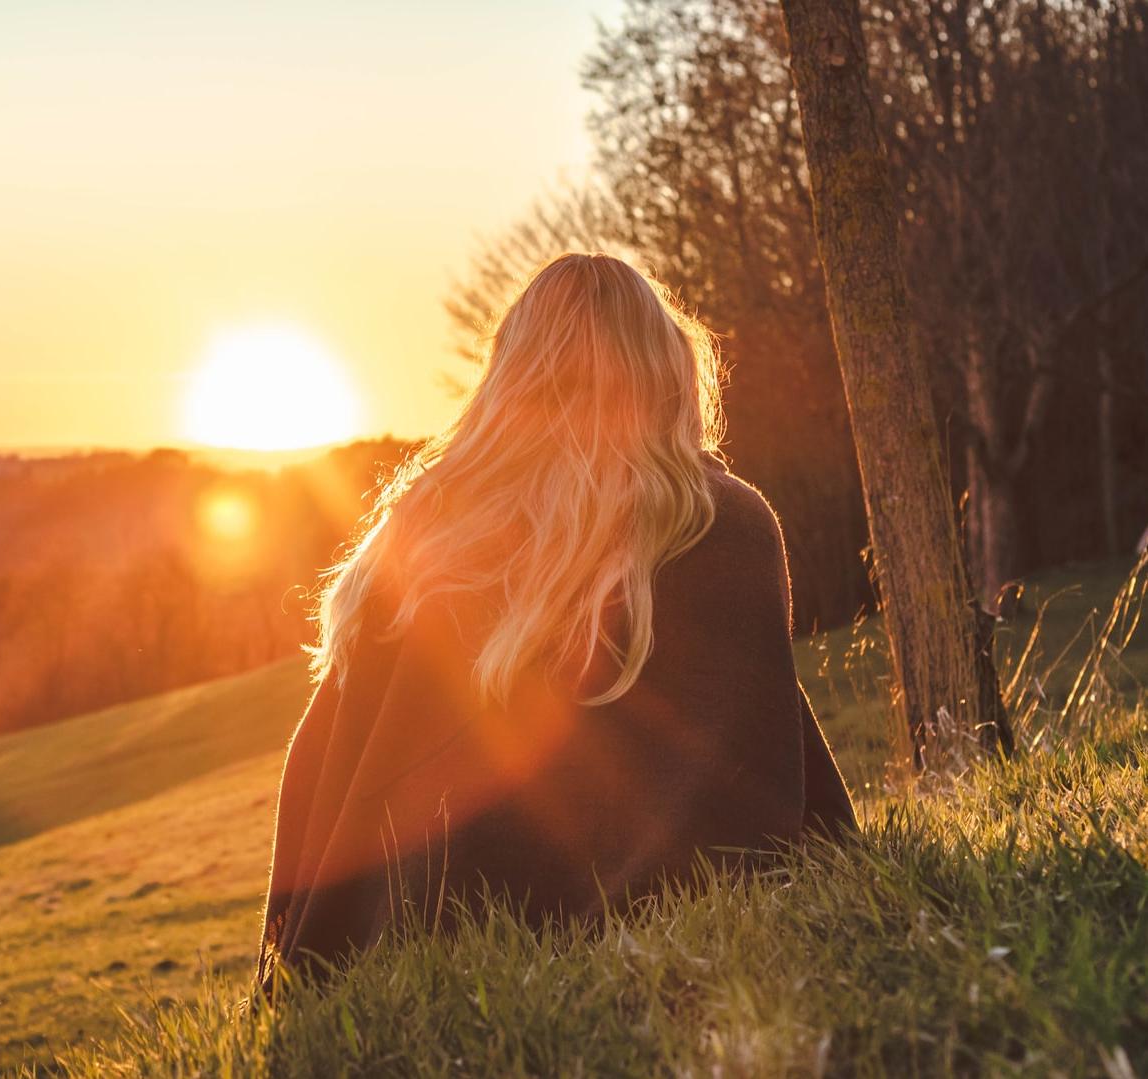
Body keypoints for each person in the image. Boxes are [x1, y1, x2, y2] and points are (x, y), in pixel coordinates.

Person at [257, 253, 856, 984]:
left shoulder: (419, 531)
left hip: (402, 944)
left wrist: (292, 954)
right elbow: (742, 771)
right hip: (597, 941)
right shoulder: (714, 520)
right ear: (665, 369)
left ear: (507, 376)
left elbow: (316, 764)